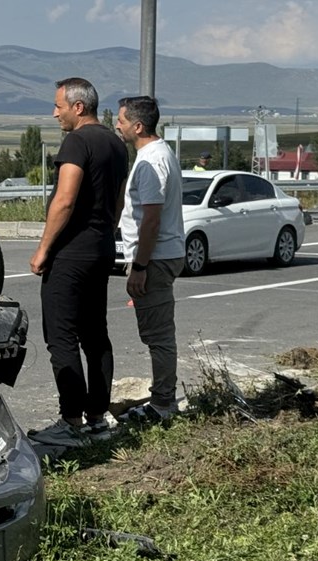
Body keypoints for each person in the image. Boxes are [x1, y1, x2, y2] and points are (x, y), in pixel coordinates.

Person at [28, 77, 129, 446]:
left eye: (59, 106)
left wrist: (44, 249)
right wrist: (103, 233)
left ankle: (70, 421)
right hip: (101, 248)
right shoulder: (117, 145)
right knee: (95, 335)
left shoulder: (77, 141)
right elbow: (118, 204)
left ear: (78, 107)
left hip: (71, 253)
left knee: (61, 336)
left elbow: (65, 200)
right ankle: (98, 417)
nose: (55, 113)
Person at [114, 96, 186, 425]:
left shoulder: (152, 160)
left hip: (154, 260)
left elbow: (151, 220)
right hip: (158, 257)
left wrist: (139, 267)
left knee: (158, 336)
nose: (117, 124)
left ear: (138, 126)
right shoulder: (156, 153)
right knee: (157, 334)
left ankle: (162, 406)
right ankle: (163, 399)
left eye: (122, 120)